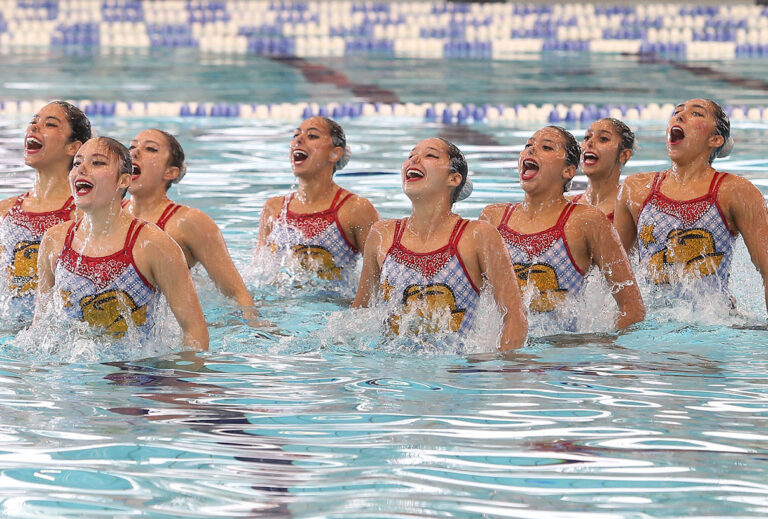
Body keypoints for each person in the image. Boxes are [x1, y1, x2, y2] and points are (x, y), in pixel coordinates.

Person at [353, 137, 528, 350]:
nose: (414, 160)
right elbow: (360, 313)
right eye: (410, 156)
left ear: (454, 179)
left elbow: (515, 318)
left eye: (430, 155)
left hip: (456, 373)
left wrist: (504, 371)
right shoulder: (382, 234)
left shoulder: (478, 235)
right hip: (393, 375)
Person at [35, 137, 209, 350]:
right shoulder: (54, 240)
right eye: (77, 163)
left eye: (97, 163)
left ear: (124, 180)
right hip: (72, 377)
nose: (82, 170)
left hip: (137, 376)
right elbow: (40, 330)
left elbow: (194, 332)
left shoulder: (153, 244)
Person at [480, 126, 644, 330]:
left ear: (568, 171)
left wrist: (595, 347)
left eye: (546, 147)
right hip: (507, 353)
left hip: (563, 351)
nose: (531, 150)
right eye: (528, 145)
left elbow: (632, 307)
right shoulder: (493, 218)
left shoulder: (586, 221)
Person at [614, 98, 768, 307]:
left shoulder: (735, 191)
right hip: (653, 325)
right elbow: (613, 274)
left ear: (715, 139)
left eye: (696, 113)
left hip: (716, 328)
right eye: (677, 112)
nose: (680, 116)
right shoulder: (635, 189)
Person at [125, 129, 256, 316]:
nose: (134, 152)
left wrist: (254, 329)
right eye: (131, 146)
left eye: (151, 149)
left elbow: (236, 293)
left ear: (170, 172)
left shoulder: (187, 222)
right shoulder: (109, 212)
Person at [257, 116, 379, 289]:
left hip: (333, 309)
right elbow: (258, 274)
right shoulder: (273, 208)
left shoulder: (354, 209)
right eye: (296, 135)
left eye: (312, 136)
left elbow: (379, 275)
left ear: (335, 153)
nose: (298, 139)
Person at [0, 101, 91, 313]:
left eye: (50, 124)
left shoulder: (83, 214)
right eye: (33, 122)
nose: (33, 127)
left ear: (73, 147)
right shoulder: (5, 211)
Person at [572, 118, 635, 222]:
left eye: (603, 139)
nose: (589, 142)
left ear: (624, 155)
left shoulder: (631, 210)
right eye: (587, 137)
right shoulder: (567, 206)